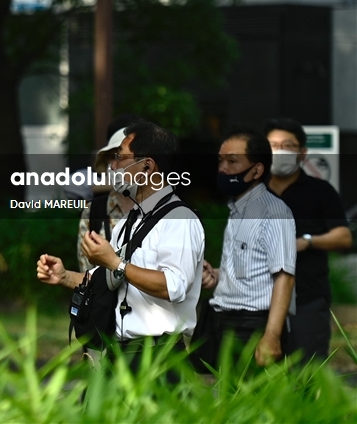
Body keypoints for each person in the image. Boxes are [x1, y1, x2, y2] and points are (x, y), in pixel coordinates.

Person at [38, 121, 205, 374]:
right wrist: (64, 276)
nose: (113, 166)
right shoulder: (130, 221)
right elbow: (103, 279)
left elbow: (173, 286)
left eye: (120, 157)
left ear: (147, 166)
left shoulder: (179, 219)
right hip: (120, 352)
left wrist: (116, 263)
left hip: (159, 356)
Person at [200, 129, 296, 367]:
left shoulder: (274, 212)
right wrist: (217, 274)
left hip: (253, 327)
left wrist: (271, 336)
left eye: (232, 161)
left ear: (257, 170)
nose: (223, 168)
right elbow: (253, 268)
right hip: (223, 322)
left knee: (255, 402)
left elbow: (284, 276)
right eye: (221, 161)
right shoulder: (237, 210)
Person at [264, 118, 351, 359]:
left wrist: (307, 241)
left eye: (287, 146)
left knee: (306, 375)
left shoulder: (320, 191)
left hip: (307, 299)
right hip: (257, 300)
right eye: (272, 145)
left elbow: (343, 237)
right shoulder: (250, 192)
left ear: (302, 153)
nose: (279, 151)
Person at [73, 114, 143, 273]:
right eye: (113, 156)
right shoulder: (94, 211)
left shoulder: (164, 210)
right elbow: (86, 276)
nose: (117, 164)